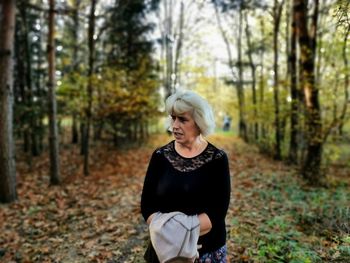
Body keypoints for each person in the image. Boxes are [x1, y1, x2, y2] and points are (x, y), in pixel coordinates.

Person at [141, 90, 231, 263]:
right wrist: (174, 240)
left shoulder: (217, 159)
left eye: (182, 119)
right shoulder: (160, 156)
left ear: (199, 122)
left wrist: (177, 234)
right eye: (173, 118)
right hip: (165, 251)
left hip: (207, 251)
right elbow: (147, 206)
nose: (175, 125)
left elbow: (217, 212)